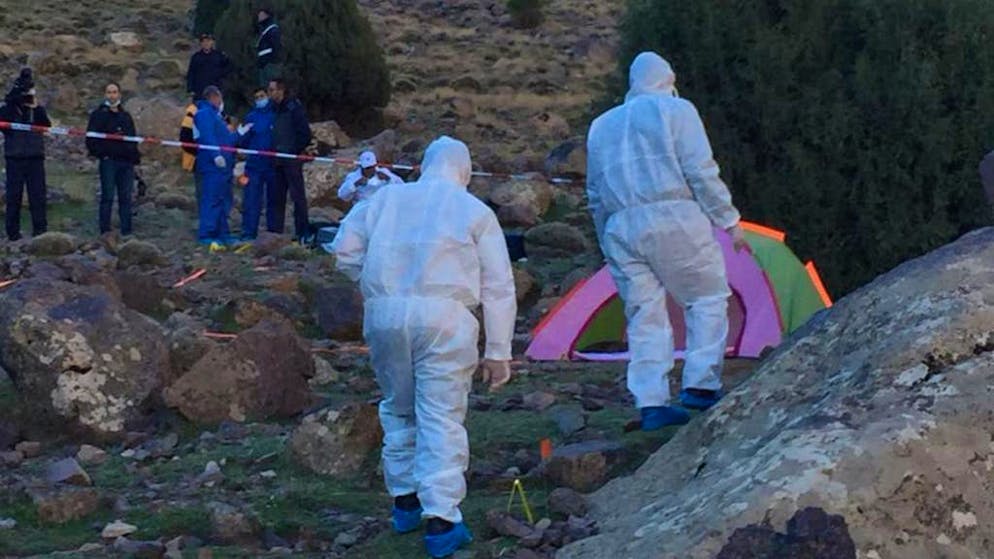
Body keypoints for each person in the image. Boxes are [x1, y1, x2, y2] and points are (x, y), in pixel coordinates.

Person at [331, 136, 515, 558]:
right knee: (440, 414)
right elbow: (499, 285)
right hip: (447, 317)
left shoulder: (385, 200)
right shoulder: (474, 211)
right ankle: (442, 519)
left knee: (398, 405)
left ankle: (404, 501)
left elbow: (343, 250)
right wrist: (498, 352)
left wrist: (375, 286)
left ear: (425, 166)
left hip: (386, 315)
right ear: (464, 171)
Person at [586, 52, 747, 431]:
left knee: (644, 314)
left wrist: (604, 240)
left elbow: (594, 193)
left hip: (620, 227)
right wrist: (729, 221)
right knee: (706, 297)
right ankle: (700, 385)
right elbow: (699, 169)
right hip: (675, 215)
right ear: (667, 79)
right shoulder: (677, 111)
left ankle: (652, 403)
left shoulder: (601, 126)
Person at [193, 86, 251, 246]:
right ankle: (207, 234)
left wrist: (239, 133)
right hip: (212, 167)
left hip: (224, 168)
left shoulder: (217, 117)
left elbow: (226, 141)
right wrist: (216, 155)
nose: (221, 102)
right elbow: (208, 137)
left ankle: (222, 233)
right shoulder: (204, 114)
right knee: (211, 200)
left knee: (224, 200)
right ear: (213, 97)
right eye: (219, 98)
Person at [86, 82, 141, 237]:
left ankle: (126, 230)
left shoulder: (125, 116)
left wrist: (134, 158)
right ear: (105, 94)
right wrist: (101, 153)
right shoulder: (98, 115)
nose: (112, 95)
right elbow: (91, 138)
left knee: (126, 197)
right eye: (109, 92)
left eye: (115, 92)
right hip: (108, 160)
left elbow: (132, 138)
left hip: (126, 162)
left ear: (119, 94)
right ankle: (105, 230)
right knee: (107, 196)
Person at [1, 68, 49, 242]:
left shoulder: (35, 109)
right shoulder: (9, 109)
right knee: (14, 196)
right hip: (15, 157)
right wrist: (15, 100)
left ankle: (40, 231)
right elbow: (3, 123)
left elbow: (46, 124)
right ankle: (13, 233)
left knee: (38, 195)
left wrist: (36, 108)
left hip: (35, 156)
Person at [267, 79, 312, 241]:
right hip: (276, 160)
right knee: (276, 197)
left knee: (297, 198)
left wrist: (294, 150)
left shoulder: (294, 108)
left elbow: (305, 133)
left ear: (281, 90)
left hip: (291, 160)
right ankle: (275, 233)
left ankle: (302, 233)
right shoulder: (271, 108)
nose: (270, 93)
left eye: (272, 90)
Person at [238, 87, 276, 240]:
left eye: (262, 96)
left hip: (272, 165)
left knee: (273, 201)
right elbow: (244, 140)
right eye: (257, 97)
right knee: (251, 200)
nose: (260, 99)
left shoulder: (276, 115)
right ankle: (248, 232)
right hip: (253, 165)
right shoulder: (251, 117)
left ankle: (273, 233)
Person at [337, 151, 405, 204]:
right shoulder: (353, 176)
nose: (369, 170)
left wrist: (389, 179)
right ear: (361, 166)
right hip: (363, 208)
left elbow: (402, 187)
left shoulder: (384, 172)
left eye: (371, 167)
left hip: (382, 207)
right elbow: (342, 195)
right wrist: (355, 184)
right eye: (367, 168)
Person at [186, 33, 232, 101]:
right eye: (204, 41)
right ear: (201, 43)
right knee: (193, 109)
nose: (206, 43)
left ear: (212, 42)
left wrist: (221, 78)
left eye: (208, 41)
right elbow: (191, 73)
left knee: (214, 109)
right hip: (199, 90)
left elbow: (228, 67)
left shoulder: (219, 56)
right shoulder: (196, 57)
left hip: (215, 89)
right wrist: (190, 89)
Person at [179, 96, 201, 212]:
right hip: (198, 160)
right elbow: (185, 138)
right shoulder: (192, 113)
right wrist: (200, 153)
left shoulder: (219, 113)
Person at [256, 8, 282, 87]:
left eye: (261, 15)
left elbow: (276, 47)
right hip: (264, 64)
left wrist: (273, 61)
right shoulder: (264, 30)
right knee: (265, 87)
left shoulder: (272, 30)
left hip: (270, 64)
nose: (259, 17)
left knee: (273, 86)